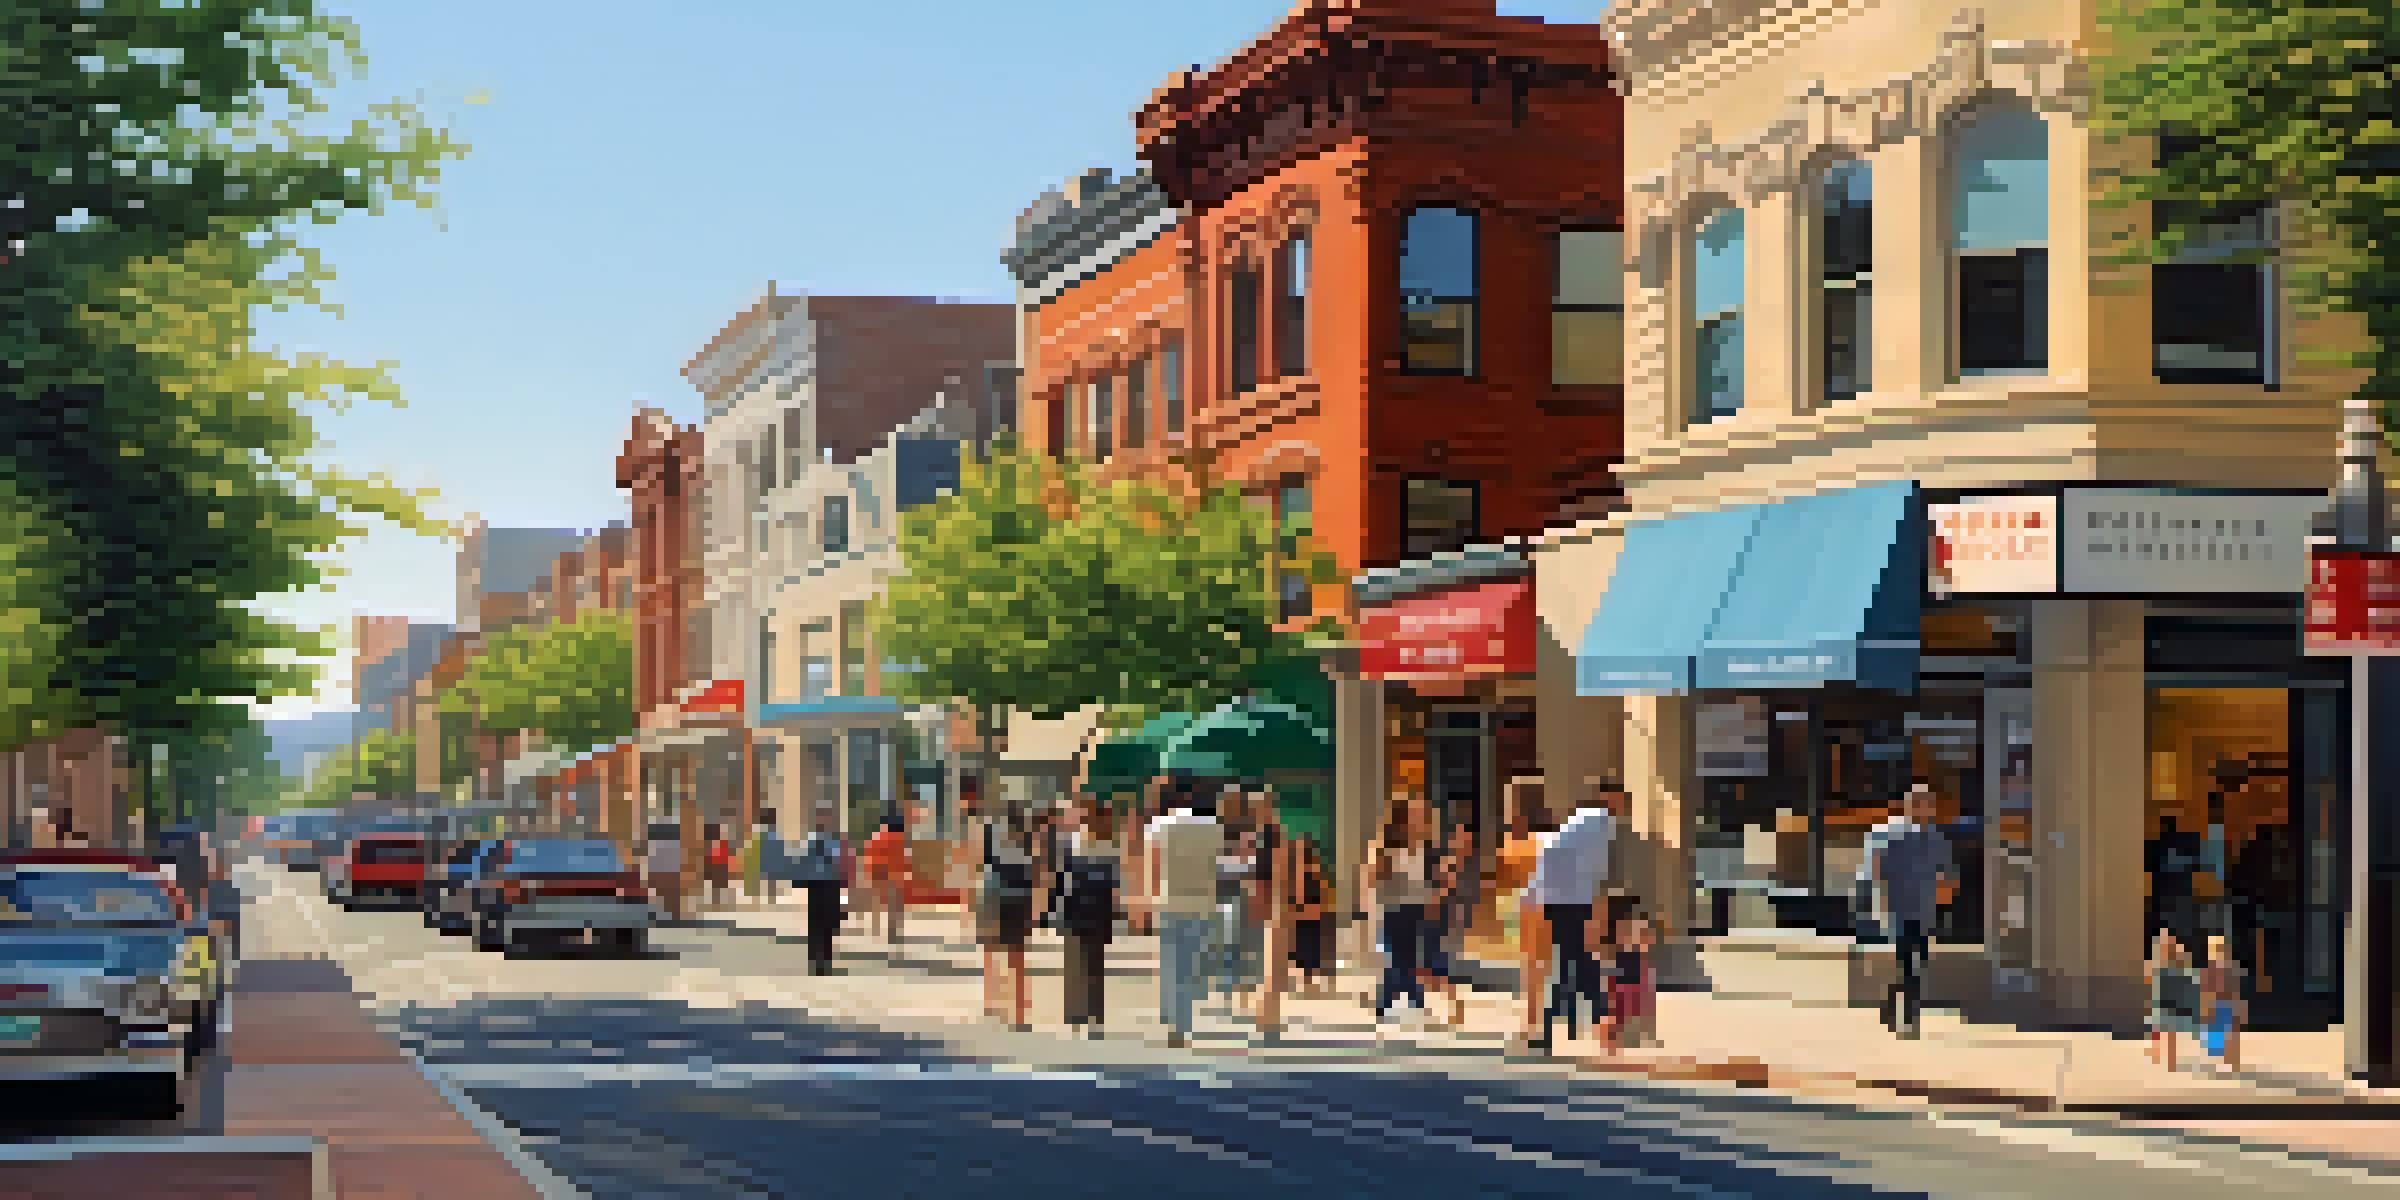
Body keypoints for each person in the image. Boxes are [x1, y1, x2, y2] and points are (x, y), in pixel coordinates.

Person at [1521, 778, 1618, 1053]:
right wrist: (1596, 908)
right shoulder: (1600, 823)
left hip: (1557, 900)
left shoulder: (1582, 821)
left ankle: (1555, 1031)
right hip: (1569, 901)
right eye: (1619, 797)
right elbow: (1595, 871)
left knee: (1570, 965)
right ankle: (1600, 1026)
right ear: (1609, 797)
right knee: (1576, 965)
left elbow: (1556, 859)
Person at [1871, 782, 1957, 1040]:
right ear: (1907, 806)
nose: (1921, 808)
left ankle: (1893, 1004)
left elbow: (1948, 872)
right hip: (1899, 909)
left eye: (1926, 803)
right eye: (1916, 802)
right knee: (1908, 965)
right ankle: (1908, 1018)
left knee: (1913, 965)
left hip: (1924, 911)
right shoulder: (1893, 835)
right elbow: (1879, 871)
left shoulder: (1936, 837)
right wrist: (1881, 904)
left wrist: (1945, 895)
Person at [1147, 784, 1224, 1049]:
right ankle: (1182, 1023)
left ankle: (1172, 1019)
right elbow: (1219, 864)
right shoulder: (1214, 827)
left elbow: (1154, 866)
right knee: (1190, 966)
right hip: (1203, 902)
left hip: (1171, 901)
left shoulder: (1161, 825)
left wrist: (1151, 896)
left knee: (1171, 963)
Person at [1367, 794, 1437, 1037]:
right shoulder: (1386, 847)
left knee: (1407, 958)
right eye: (1414, 815)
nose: (1419, 820)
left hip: (1415, 908)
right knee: (1399, 958)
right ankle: (1409, 1000)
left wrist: (1429, 897)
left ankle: (1389, 1000)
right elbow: (1375, 879)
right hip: (1394, 907)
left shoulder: (1419, 845)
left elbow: (1422, 879)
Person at [1058, 804, 1122, 1039]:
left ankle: (1076, 1015)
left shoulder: (1074, 842)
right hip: (1099, 912)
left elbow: (1062, 878)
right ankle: (1096, 1016)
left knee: (1075, 965)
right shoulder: (1111, 847)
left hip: (1076, 910)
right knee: (1095, 966)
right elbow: (1114, 886)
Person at [978, 810, 1039, 1030]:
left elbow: (987, 875)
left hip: (997, 901)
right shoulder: (1026, 852)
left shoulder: (994, 850)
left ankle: (991, 1002)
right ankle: (1019, 1012)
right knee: (1017, 959)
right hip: (1017, 904)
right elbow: (1032, 882)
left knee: (991, 952)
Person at [1416, 815, 1470, 1029]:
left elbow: (1444, 890)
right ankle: (1444, 1008)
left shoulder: (1446, 862)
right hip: (1432, 918)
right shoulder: (1439, 858)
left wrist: (1432, 902)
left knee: (1432, 968)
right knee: (1425, 968)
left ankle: (1455, 1007)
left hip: (1435, 919)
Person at [1251, 798, 1292, 1041]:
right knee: (1273, 968)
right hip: (1275, 910)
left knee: (1271, 968)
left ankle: (1267, 1017)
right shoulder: (1271, 841)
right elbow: (1276, 877)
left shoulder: (1260, 840)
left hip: (1269, 909)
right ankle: (1269, 1019)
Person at [791, 815, 849, 975]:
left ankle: (820, 961)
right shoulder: (826, 843)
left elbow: (841, 865)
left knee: (821, 925)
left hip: (825, 886)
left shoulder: (823, 843)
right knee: (821, 925)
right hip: (822, 886)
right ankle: (820, 961)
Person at [1289, 838, 1334, 997]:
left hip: (1312, 916)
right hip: (1307, 916)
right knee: (1307, 947)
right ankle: (1309, 978)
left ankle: (1313, 977)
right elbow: (1300, 895)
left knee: (1312, 947)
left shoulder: (1310, 872)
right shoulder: (1300, 873)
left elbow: (1322, 892)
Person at [2147, 929, 2196, 1071]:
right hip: (2163, 998)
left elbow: (2188, 973)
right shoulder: (2158, 962)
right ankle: (2161, 1056)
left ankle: (2169, 1059)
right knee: (2160, 1028)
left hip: (2171, 997)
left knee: (2168, 1030)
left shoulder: (2177, 958)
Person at [2200, 932, 2248, 1071]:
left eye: (2218, 948)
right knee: (2216, 1035)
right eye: (2213, 949)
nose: (2215, 952)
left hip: (2227, 1004)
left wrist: (2239, 1006)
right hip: (2214, 1005)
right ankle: (2220, 1062)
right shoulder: (2208, 970)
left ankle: (2232, 1062)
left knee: (2231, 1034)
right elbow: (2205, 990)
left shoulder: (2231, 968)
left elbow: (2236, 989)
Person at [863, 814, 910, 946]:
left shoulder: (877, 838)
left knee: (877, 904)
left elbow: (869, 857)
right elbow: (905, 860)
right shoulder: (901, 840)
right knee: (894, 907)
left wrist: (869, 874)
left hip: (879, 876)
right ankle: (893, 933)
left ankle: (876, 930)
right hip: (895, 878)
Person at [645, 821, 684, 924]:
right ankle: (665, 915)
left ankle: (669, 916)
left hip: (667, 867)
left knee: (667, 891)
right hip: (663, 867)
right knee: (663, 891)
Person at [703, 824, 734, 910]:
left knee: (720, 885)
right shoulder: (713, 843)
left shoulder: (722, 842)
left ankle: (719, 902)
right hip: (718, 866)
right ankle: (717, 902)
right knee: (718, 885)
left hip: (721, 866)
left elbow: (726, 854)